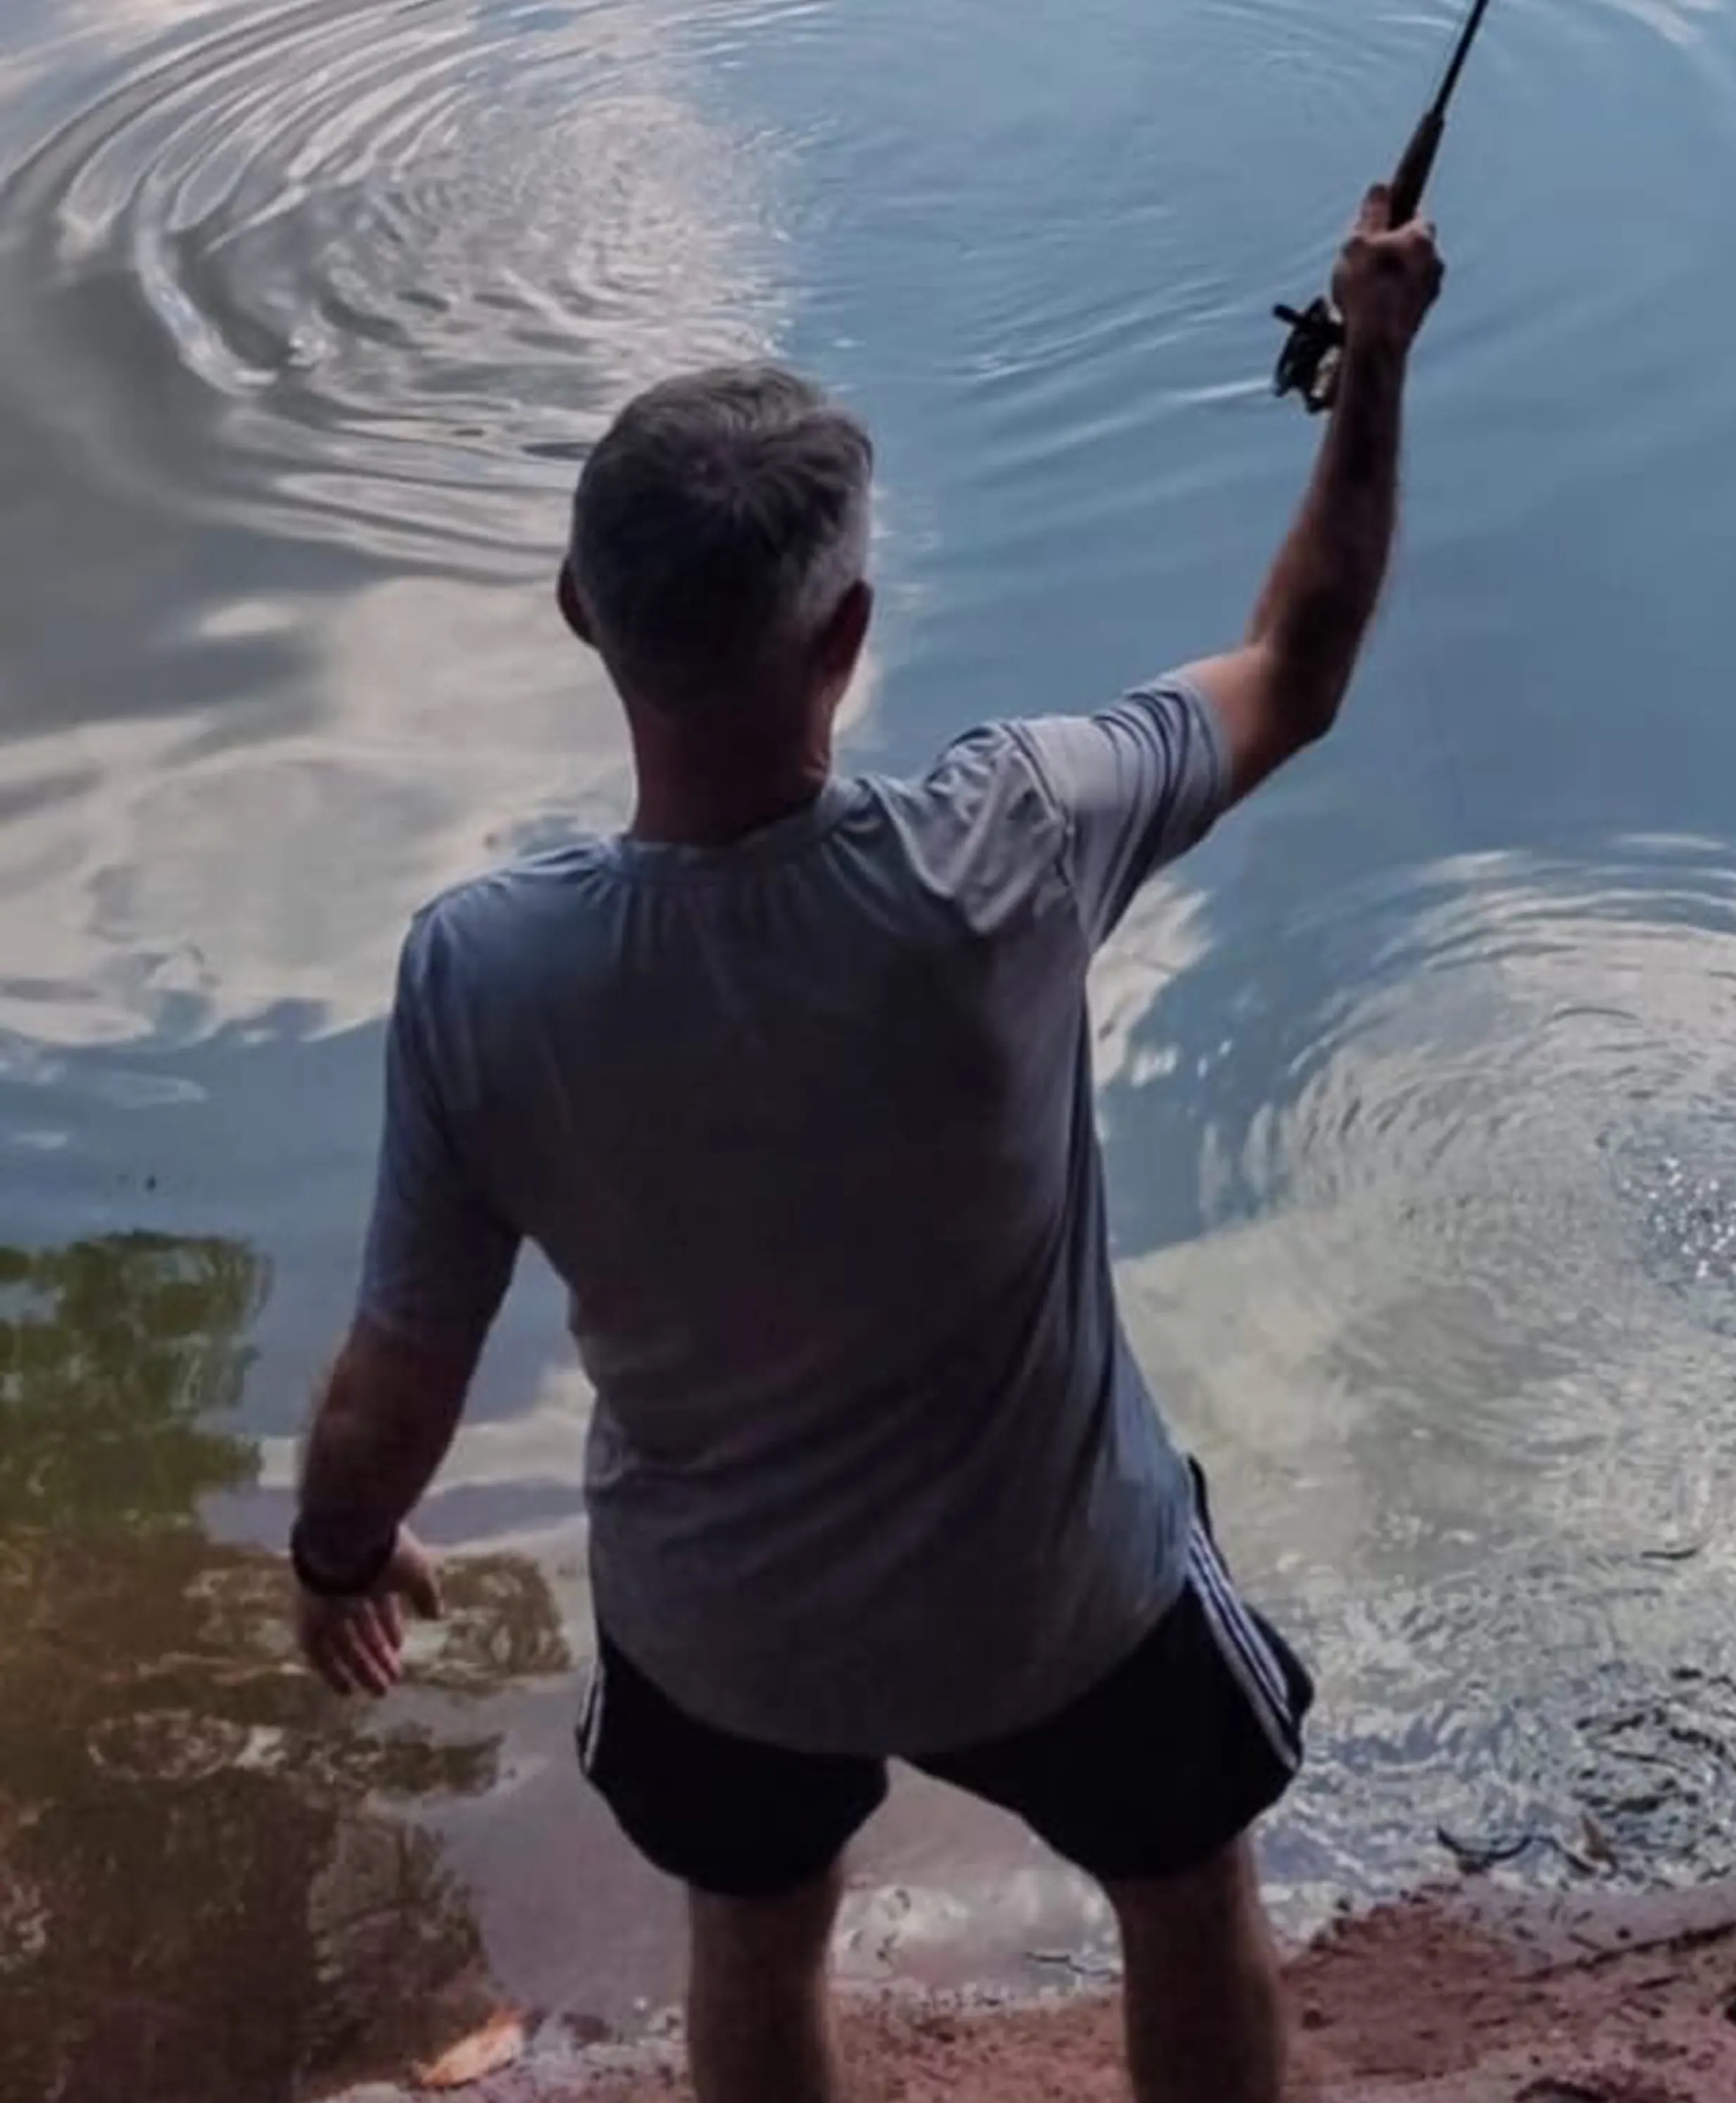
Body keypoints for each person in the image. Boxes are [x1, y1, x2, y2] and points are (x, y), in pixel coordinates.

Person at [289, 190, 1444, 2103]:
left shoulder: (482, 976)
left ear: (581, 616)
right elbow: (1299, 660)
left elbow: (398, 1377)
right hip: (1061, 1597)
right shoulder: (1015, 841)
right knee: (1179, 1876)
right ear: (848, 634)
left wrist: (340, 1551)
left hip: (725, 1646)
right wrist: (1372, 363)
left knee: (752, 1922)